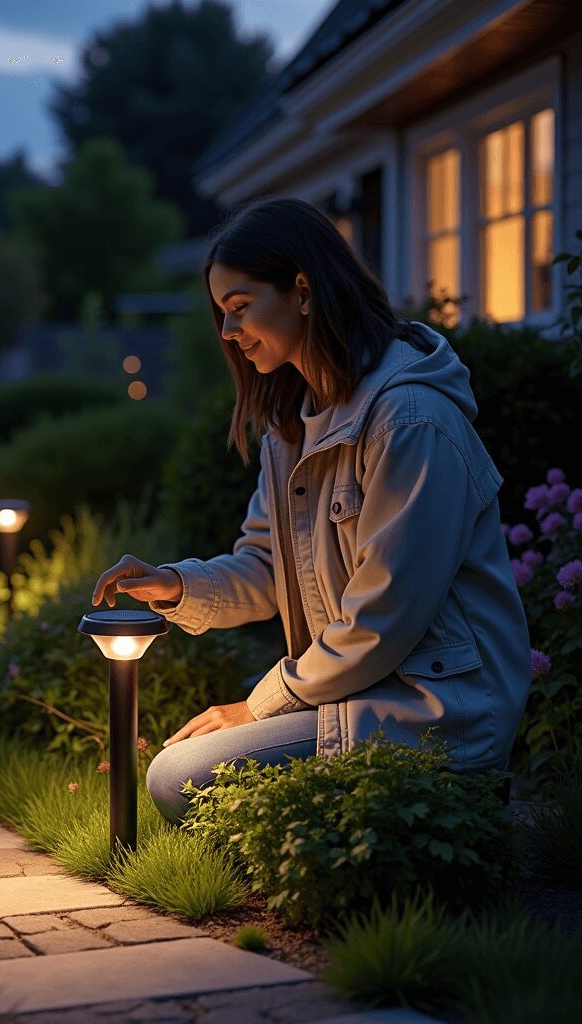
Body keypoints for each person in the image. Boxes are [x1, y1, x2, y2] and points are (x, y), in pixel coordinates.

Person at [91, 197, 531, 825]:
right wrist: (178, 583)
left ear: (302, 290)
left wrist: (257, 707)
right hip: (354, 695)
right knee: (187, 768)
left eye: (240, 309)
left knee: (180, 776)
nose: (228, 333)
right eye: (221, 314)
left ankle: (423, 825)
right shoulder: (293, 430)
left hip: (433, 710)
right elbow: (267, 566)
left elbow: (383, 617)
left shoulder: (410, 422)